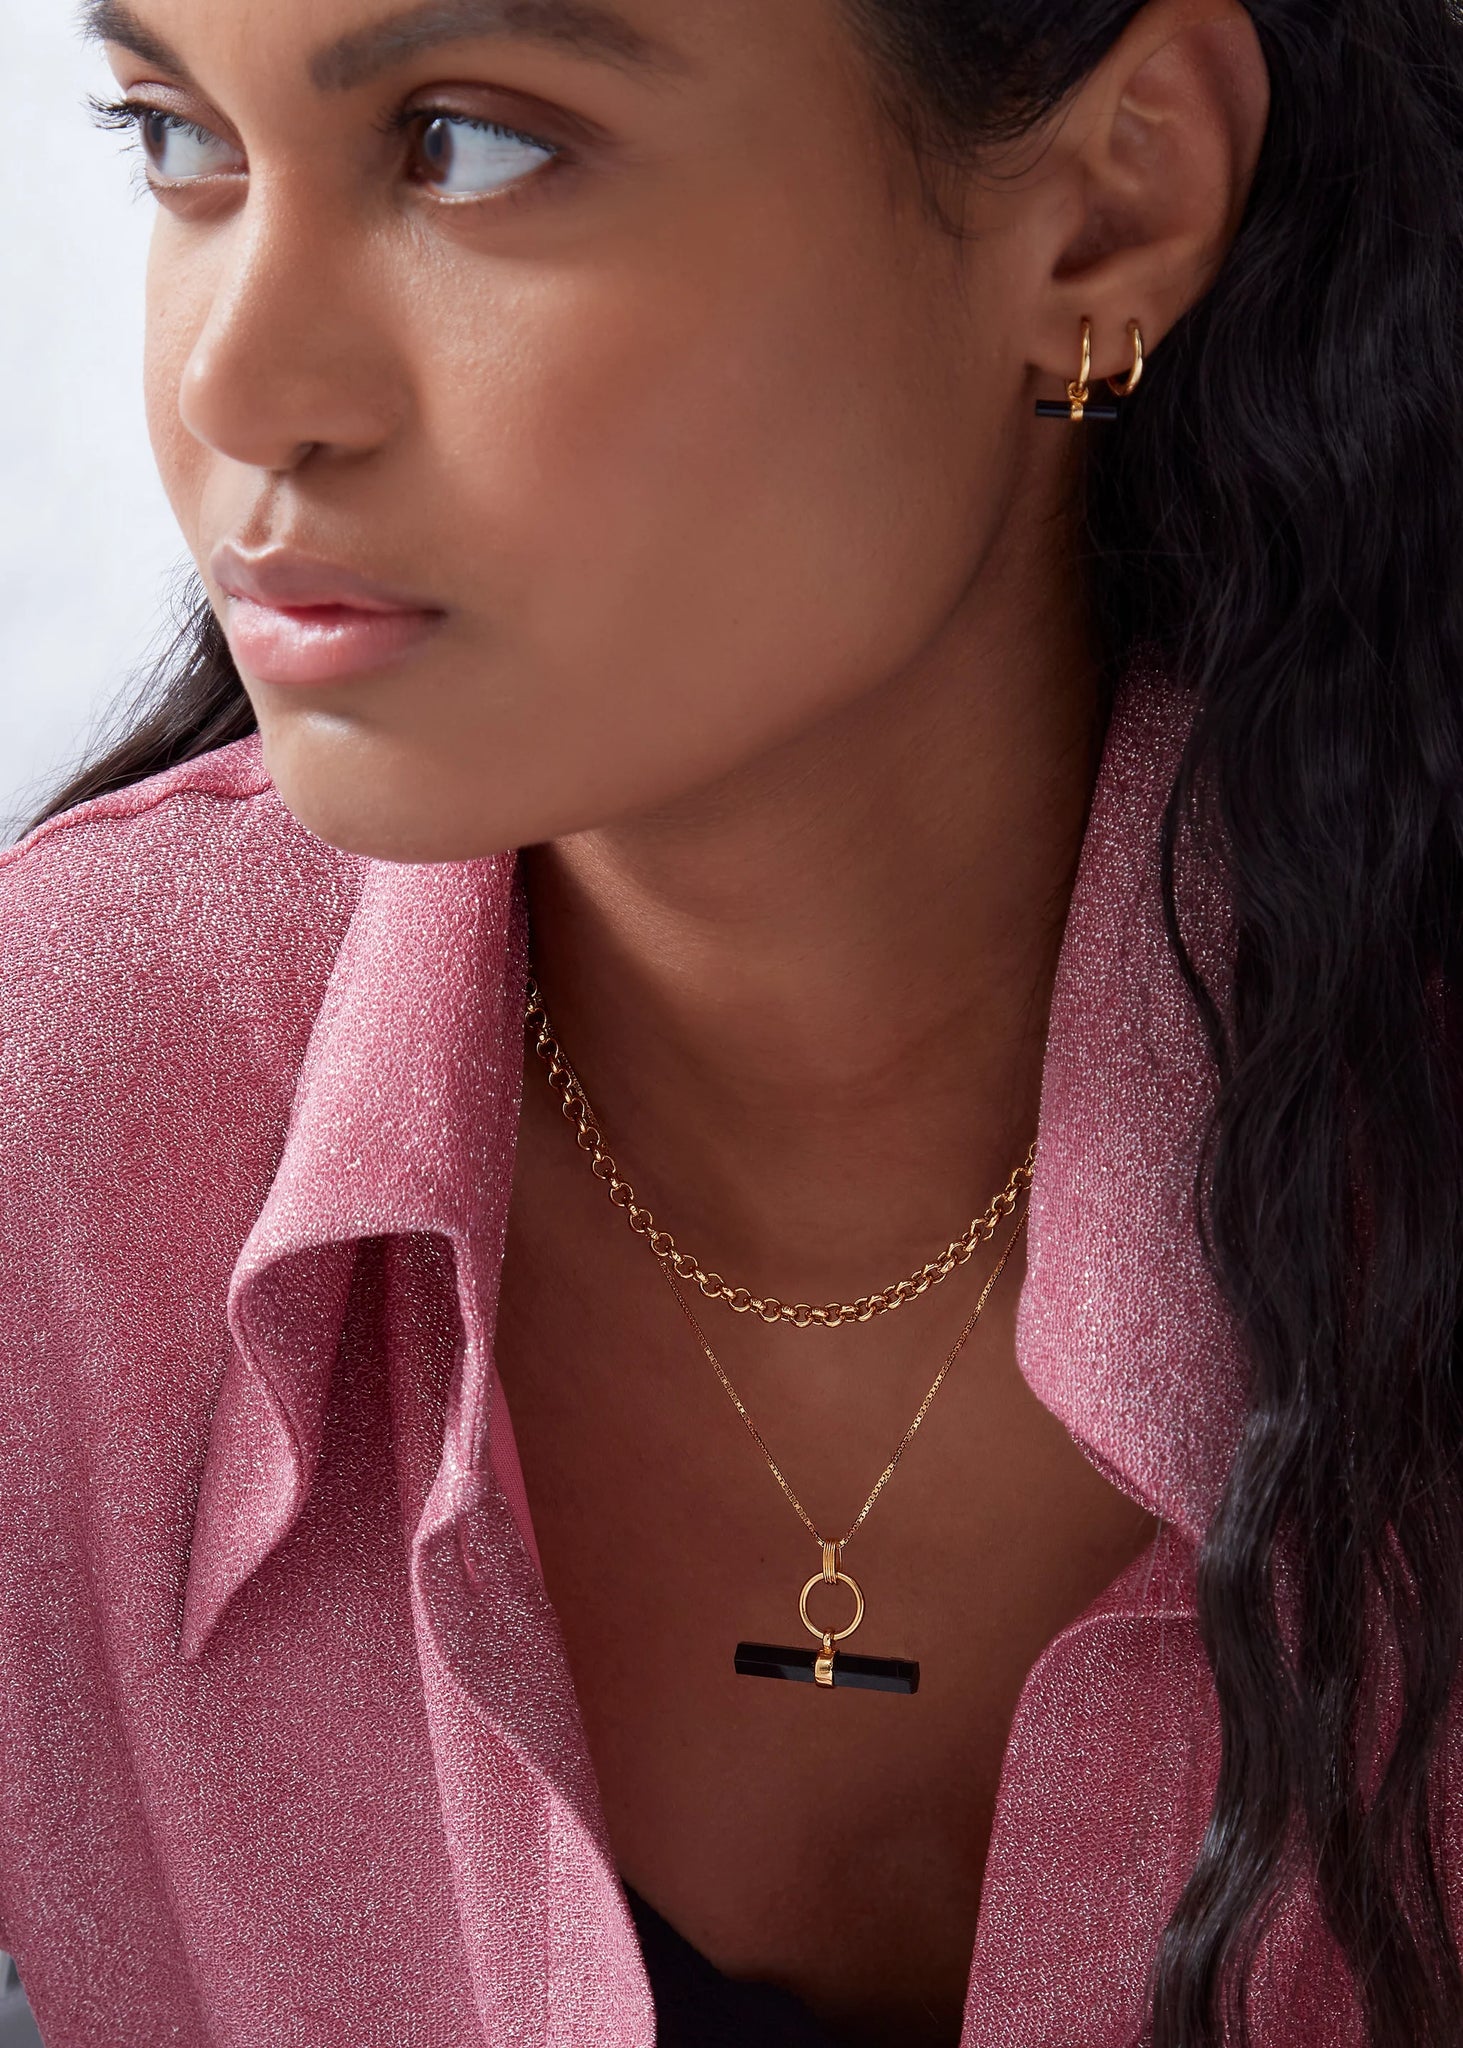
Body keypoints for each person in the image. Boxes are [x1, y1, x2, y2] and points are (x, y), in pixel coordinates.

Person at [2, 0, 1460, 2042]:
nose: (232, 383)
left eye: (472, 145)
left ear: (1109, 209)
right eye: (177, 140)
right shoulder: (62, 1120)